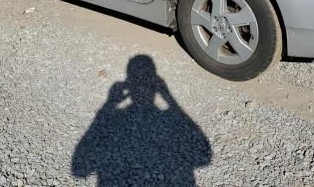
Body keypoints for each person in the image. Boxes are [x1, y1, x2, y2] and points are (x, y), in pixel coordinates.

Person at [72, 55, 212, 186]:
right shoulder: (167, 117)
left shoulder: (117, 118)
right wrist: (169, 98)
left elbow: (79, 169)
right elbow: (204, 157)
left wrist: (109, 104)